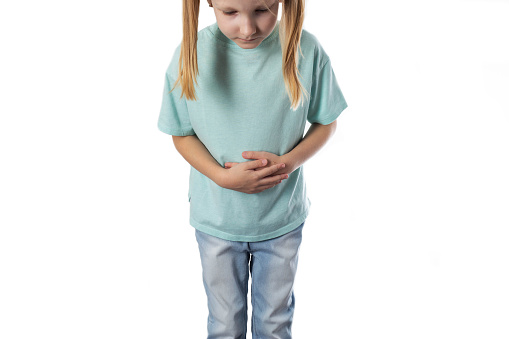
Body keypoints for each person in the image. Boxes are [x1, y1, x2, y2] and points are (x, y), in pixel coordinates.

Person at [157, 0, 348, 337]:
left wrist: (289, 162)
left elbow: (326, 122)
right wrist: (220, 176)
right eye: (230, 13)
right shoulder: (191, 54)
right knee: (224, 323)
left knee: (274, 322)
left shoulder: (306, 49)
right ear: (210, 3)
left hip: (280, 221)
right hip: (217, 221)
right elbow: (181, 133)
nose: (247, 28)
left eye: (262, 10)